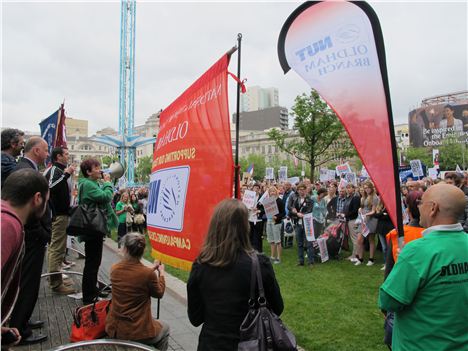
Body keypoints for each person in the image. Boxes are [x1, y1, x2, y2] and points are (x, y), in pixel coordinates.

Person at [379, 184, 468, 350]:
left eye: (422, 202)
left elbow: (388, 301)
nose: (419, 207)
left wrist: (403, 263)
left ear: (433, 208)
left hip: (420, 344)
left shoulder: (416, 251)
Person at [187, 199, 283, 350]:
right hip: (252, 343)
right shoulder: (260, 264)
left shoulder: (201, 265)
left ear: (215, 226)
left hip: (212, 344)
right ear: (245, 227)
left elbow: (195, 318)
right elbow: (277, 307)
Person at [8, 137, 51, 345]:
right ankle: (19, 327)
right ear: (36, 150)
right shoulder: (26, 171)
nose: (48, 153)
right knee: (27, 282)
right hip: (32, 236)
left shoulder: (24, 167)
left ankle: (22, 320)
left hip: (32, 234)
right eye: (45, 149)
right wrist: (41, 231)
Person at [106, 233, 169, 350]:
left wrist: (152, 269)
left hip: (114, 327)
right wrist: (162, 274)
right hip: (137, 330)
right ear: (143, 251)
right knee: (165, 329)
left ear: (125, 249)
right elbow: (159, 293)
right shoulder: (147, 274)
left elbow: (132, 277)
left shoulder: (114, 269)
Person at [78, 158, 117, 304]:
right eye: (96, 167)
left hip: (92, 227)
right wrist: (107, 183)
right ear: (88, 172)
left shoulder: (89, 183)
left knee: (94, 262)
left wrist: (105, 183)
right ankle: (89, 296)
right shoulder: (88, 184)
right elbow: (105, 197)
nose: (100, 170)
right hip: (93, 228)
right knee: (92, 263)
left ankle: (92, 290)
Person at [44, 147, 76, 294]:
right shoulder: (55, 171)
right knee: (56, 248)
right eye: (66, 154)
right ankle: (55, 283)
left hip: (62, 214)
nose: (68, 156)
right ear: (58, 156)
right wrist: (65, 175)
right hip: (58, 215)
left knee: (58, 248)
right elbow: (50, 187)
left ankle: (56, 278)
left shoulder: (59, 170)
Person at [288, 182, 314, 266]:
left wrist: (301, 214)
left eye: (303, 190)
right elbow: (291, 209)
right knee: (299, 243)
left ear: (306, 190)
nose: (301, 191)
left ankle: (311, 261)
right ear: (298, 191)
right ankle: (301, 261)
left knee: (309, 243)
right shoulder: (296, 200)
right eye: (299, 190)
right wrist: (294, 212)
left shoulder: (309, 200)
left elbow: (310, 210)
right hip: (298, 224)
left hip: (307, 224)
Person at [355, 181, 379, 266]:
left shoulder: (375, 197)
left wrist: (366, 214)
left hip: (371, 220)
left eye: (368, 188)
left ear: (371, 188)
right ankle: (360, 258)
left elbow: (373, 211)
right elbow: (362, 207)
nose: (366, 189)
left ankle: (371, 259)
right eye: (365, 188)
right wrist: (360, 210)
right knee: (359, 239)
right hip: (363, 220)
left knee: (371, 239)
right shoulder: (364, 197)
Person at [265, 186, 285, 264]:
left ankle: (279, 258)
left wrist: (277, 217)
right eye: (270, 191)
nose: (272, 192)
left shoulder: (279, 201)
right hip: (269, 221)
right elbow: (265, 210)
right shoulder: (268, 201)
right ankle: (272, 257)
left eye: (273, 191)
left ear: (276, 192)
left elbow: (283, 212)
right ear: (269, 193)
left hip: (276, 223)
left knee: (277, 241)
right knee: (271, 240)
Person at [344, 183, 361, 261]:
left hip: (353, 219)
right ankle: (355, 254)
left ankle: (355, 255)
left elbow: (355, 210)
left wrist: (345, 215)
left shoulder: (356, 197)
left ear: (354, 189)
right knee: (354, 238)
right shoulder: (348, 197)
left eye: (350, 188)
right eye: (347, 188)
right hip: (349, 219)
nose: (348, 189)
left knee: (354, 238)